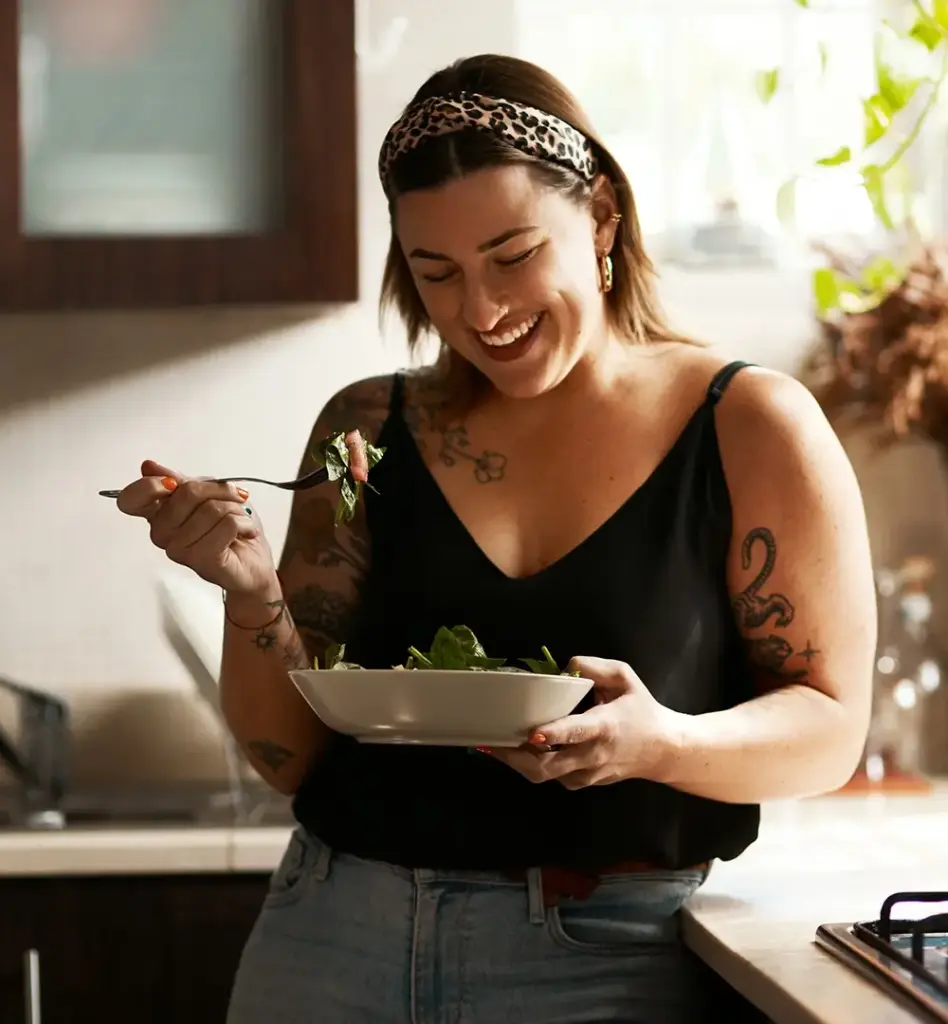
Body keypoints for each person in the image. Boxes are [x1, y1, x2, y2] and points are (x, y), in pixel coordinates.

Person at [115, 54, 877, 1023]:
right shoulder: (367, 429)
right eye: (438, 274)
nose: (483, 311)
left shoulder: (749, 424)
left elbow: (829, 729)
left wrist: (658, 744)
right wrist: (250, 592)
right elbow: (289, 759)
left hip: (609, 956)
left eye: (515, 257)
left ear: (600, 215)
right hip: (330, 934)